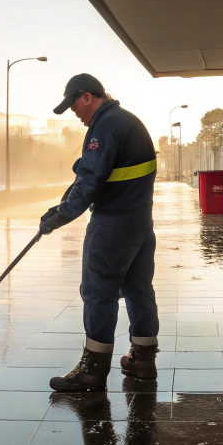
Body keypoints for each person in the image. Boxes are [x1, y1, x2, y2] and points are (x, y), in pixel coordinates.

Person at [37, 74, 159, 392]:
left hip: (113, 225)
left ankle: (91, 371)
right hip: (139, 223)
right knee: (137, 289)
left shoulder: (104, 126)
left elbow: (91, 178)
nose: (75, 113)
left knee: (97, 293)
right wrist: (65, 201)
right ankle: (143, 360)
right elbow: (95, 174)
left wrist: (61, 215)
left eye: (74, 105)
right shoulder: (127, 121)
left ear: (87, 96)